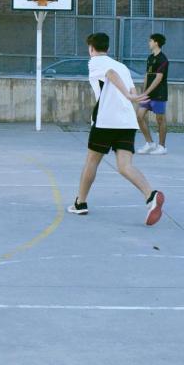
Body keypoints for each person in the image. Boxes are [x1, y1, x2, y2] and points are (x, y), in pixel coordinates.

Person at [68, 33, 165, 226]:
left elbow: (111, 74)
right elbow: (132, 91)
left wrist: (129, 98)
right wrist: (133, 99)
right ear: (109, 48)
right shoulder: (122, 66)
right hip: (127, 122)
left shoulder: (95, 62)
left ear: (91, 48)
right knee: (125, 166)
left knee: (92, 161)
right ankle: (151, 195)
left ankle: (81, 203)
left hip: (106, 120)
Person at [136, 33, 170, 155]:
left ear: (156, 42)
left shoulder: (163, 59)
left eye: (150, 41)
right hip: (148, 94)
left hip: (159, 94)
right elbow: (147, 76)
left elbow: (158, 78)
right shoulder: (150, 58)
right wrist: (144, 92)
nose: (148, 43)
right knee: (139, 116)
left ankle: (162, 147)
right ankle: (150, 143)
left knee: (160, 119)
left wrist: (148, 91)